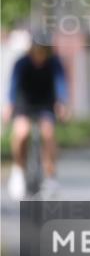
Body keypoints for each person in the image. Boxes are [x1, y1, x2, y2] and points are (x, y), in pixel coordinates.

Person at [4, 36, 69, 200]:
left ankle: (50, 176)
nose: (40, 54)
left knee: (48, 133)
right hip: (24, 103)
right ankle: (18, 172)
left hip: (45, 104)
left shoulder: (54, 63)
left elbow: (60, 84)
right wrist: (9, 105)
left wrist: (62, 103)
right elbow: (14, 85)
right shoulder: (22, 63)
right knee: (22, 133)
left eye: (44, 51)